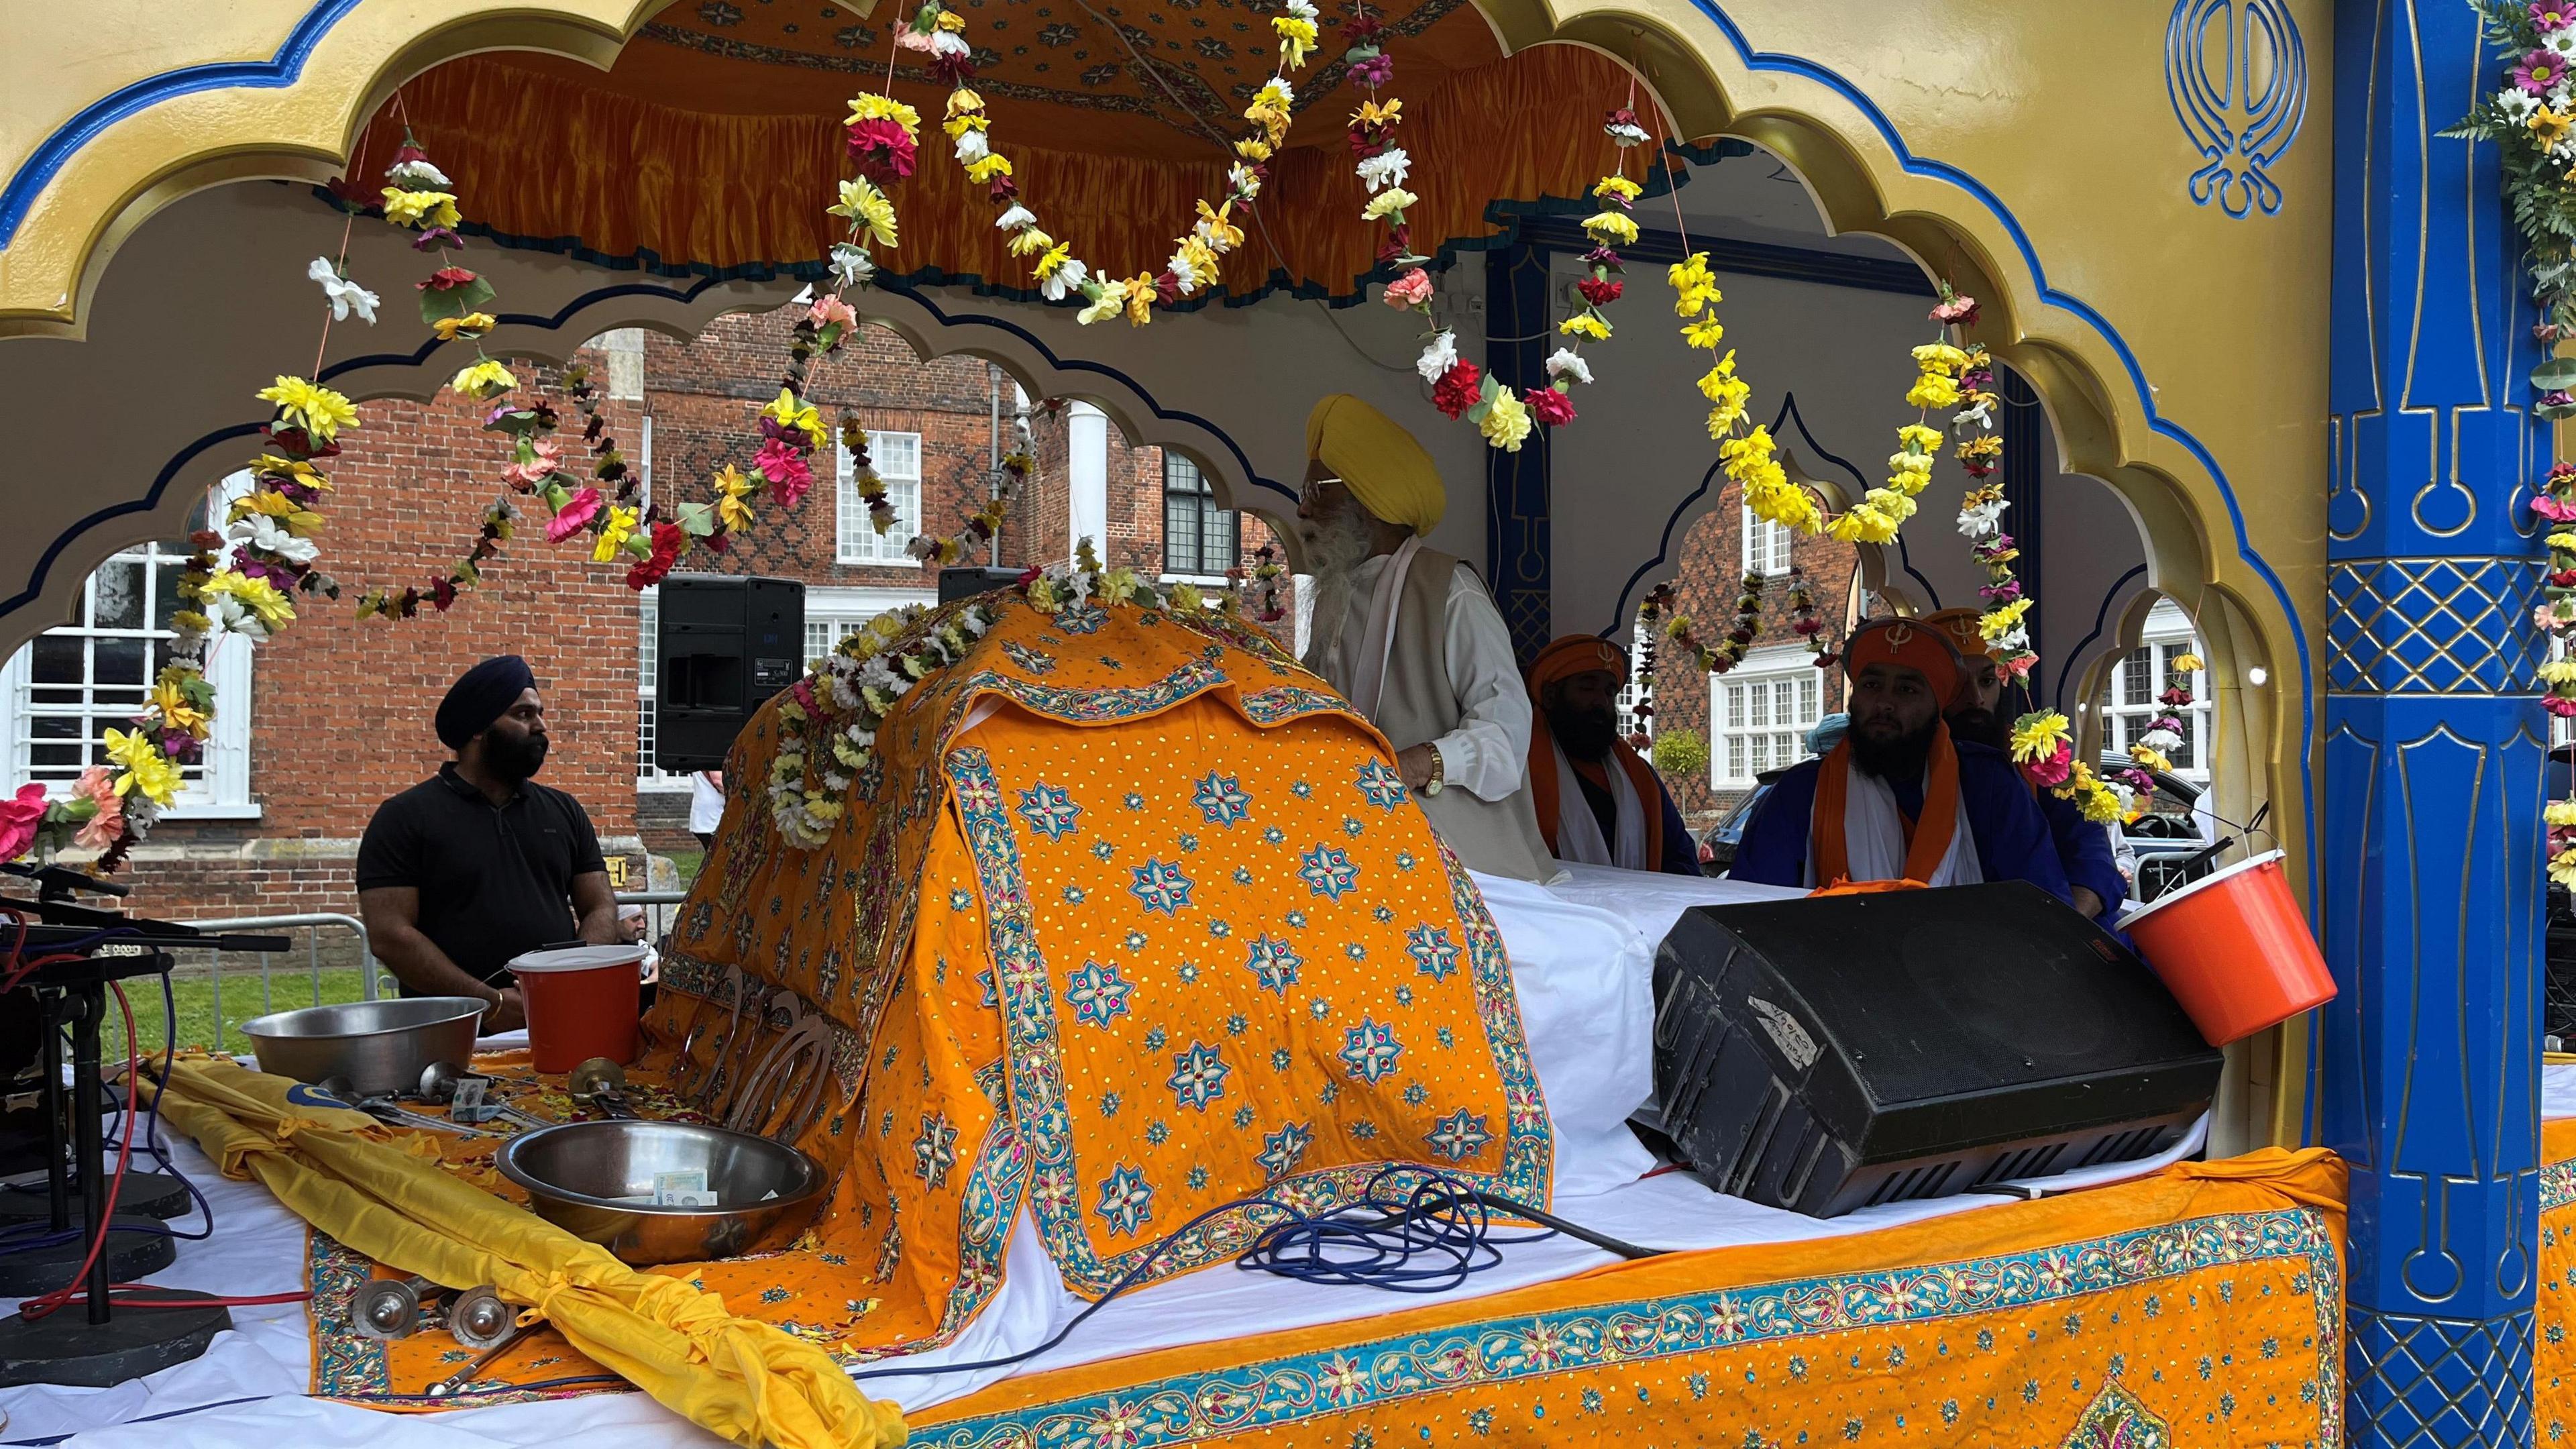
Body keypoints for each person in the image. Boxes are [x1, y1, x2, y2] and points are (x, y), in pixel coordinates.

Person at [1297, 393, 1556, 882]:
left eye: (1316, 490)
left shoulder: (1451, 591)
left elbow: (1505, 738)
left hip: (1463, 865)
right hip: (1351, 849)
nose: (1302, 509)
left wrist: (1418, 764)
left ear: (1366, 497)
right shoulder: (1335, 597)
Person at [356, 655, 623, 1034]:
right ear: (480, 727)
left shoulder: (564, 811)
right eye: (523, 714)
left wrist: (567, 979)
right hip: (450, 1035)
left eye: (539, 713)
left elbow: (599, 905)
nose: (541, 726)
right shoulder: (404, 818)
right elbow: (390, 935)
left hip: (557, 1020)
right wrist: (487, 1003)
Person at [1731, 618, 2072, 900]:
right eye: (1872, 685)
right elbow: (1753, 905)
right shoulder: (1802, 789)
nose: (1884, 703)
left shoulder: (1987, 782)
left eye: (1907, 690)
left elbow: (2039, 903)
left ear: (1937, 708)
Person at [1922, 607, 2126, 923]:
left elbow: (2090, 856)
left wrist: (2063, 930)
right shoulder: (1906, 764)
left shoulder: (2041, 761)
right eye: (1959, 684)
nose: (1976, 699)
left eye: (1987, 681)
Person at [1521, 635, 1699, 875]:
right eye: (1587, 687)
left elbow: (1679, 855)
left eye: (1609, 691)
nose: (1601, 701)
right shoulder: (1520, 768)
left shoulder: (1639, 776)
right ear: (1552, 696)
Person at [689, 769, 725, 852]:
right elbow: (718, 781)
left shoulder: (701, 758)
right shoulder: (712, 757)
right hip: (712, 816)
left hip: (705, 815)